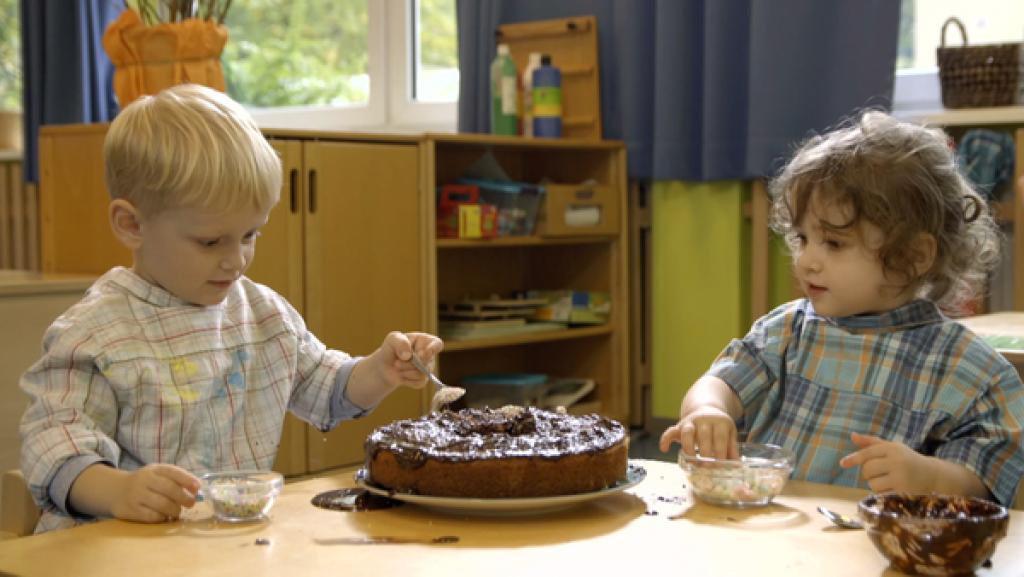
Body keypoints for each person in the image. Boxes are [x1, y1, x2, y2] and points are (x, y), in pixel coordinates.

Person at [19, 84, 443, 533]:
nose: (235, 259)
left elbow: (326, 390)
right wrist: (118, 491)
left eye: (250, 235)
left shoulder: (263, 315)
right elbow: (55, 447)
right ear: (131, 224)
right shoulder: (96, 332)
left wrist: (380, 370)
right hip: (113, 552)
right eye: (209, 241)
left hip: (219, 546)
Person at [659, 111, 1024, 506]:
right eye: (802, 238)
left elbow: (989, 478)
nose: (805, 261)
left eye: (833, 243)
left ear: (913, 256)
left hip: (875, 555)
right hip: (768, 537)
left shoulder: (967, 369)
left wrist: (928, 476)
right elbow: (720, 382)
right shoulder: (786, 331)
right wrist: (708, 410)